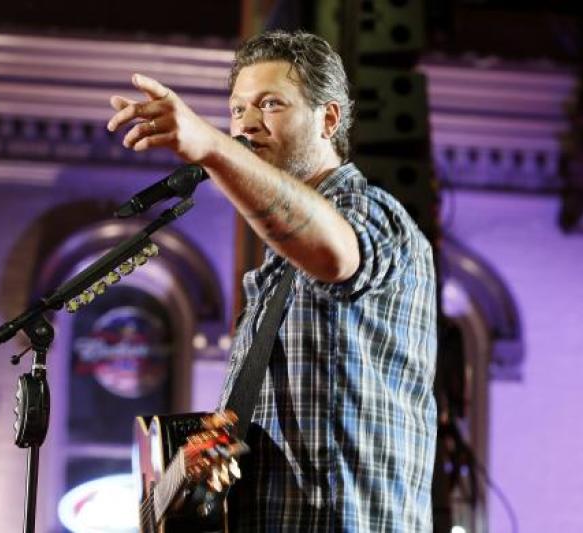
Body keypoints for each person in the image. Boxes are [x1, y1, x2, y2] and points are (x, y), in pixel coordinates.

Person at [107, 30, 437, 532]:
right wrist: (193, 469)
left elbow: (335, 252)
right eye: (237, 110)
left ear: (329, 119)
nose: (247, 124)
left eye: (270, 104)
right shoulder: (273, 274)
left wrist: (213, 148)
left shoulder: (372, 213)